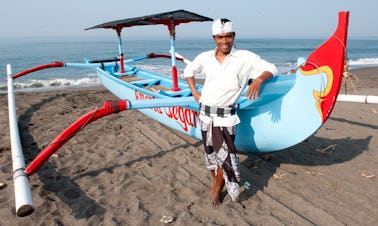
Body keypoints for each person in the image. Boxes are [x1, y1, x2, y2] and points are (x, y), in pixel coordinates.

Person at [184, 18, 277, 205]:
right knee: (210, 155)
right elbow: (189, 70)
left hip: (226, 119)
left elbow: (271, 68)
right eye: (220, 37)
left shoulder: (245, 57)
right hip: (205, 115)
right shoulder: (205, 58)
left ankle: (218, 188)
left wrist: (258, 80)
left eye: (228, 36)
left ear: (234, 37)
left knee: (224, 157)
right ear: (214, 38)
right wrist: (195, 92)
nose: (224, 41)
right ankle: (216, 182)